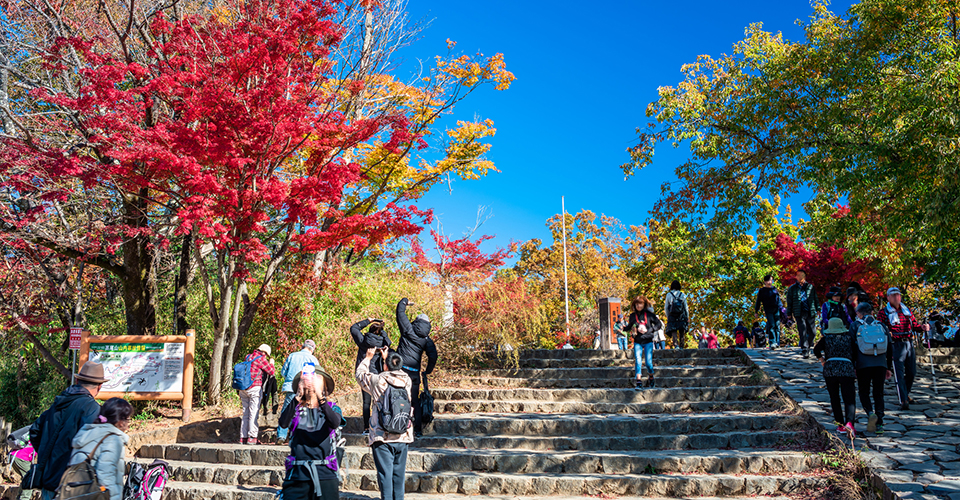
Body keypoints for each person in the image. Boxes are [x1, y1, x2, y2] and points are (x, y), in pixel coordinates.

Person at [29, 361, 106, 500]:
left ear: (77, 380)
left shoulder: (58, 403)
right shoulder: (92, 408)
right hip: (72, 485)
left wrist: (47, 454)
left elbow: (34, 431)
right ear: (100, 386)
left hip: (48, 480)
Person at [356, 348, 414, 500]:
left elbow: (360, 374)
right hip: (403, 434)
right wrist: (386, 359)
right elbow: (393, 370)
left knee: (385, 476)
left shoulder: (378, 380)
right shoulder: (407, 380)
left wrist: (368, 358)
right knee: (398, 477)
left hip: (382, 436)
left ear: (386, 366)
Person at [279, 364, 342, 500]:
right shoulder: (294, 409)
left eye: (316, 378)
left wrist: (320, 396)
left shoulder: (332, 408)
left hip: (325, 474)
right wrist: (298, 396)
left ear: (324, 385)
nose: (311, 382)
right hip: (297, 474)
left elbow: (334, 423)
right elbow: (283, 423)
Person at [68, 398, 133, 500]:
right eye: (128, 419)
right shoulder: (112, 440)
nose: (128, 424)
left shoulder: (87, 433)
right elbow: (106, 478)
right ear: (121, 422)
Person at [879, 287, 929, 410]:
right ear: (888, 297)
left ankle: (905, 393)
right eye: (893, 295)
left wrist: (922, 328)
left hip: (909, 343)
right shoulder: (884, 312)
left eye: (898, 295)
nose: (896, 297)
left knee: (912, 372)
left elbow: (915, 325)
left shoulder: (906, 311)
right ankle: (903, 400)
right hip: (895, 345)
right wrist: (887, 333)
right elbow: (880, 327)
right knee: (899, 373)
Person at [395, 298, 438, 437]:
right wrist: (428, 370)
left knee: (397, 398)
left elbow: (400, 312)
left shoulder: (408, 329)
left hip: (400, 371)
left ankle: (397, 426)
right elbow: (433, 356)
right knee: (414, 400)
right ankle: (417, 430)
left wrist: (405, 301)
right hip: (414, 374)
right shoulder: (426, 340)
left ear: (416, 321)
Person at [851, 302, 893, 434]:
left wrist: (853, 365)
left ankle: (870, 413)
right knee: (878, 392)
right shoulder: (881, 325)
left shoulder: (855, 325)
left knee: (864, 391)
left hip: (863, 364)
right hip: (880, 363)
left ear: (858, 313)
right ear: (872, 313)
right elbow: (889, 347)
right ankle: (879, 422)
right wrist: (888, 367)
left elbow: (852, 347)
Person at [814, 318, 858, 438]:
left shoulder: (826, 339)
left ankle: (840, 425)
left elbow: (816, 350)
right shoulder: (849, 338)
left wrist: (822, 360)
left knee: (835, 398)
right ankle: (850, 423)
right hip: (846, 368)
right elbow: (856, 353)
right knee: (849, 399)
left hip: (830, 369)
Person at [350, 318, 391, 434]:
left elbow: (354, 328)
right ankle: (381, 425)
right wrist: (383, 332)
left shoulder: (363, 341)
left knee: (366, 402)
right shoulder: (383, 342)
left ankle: (367, 428)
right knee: (380, 400)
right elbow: (389, 343)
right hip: (378, 374)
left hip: (366, 374)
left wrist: (368, 320)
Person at [278, 340, 320, 443]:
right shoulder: (313, 359)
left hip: (291, 387)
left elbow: (283, 372)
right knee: (301, 413)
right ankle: (294, 436)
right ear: (312, 349)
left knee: (287, 411)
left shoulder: (292, 356)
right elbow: (317, 376)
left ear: (303, 346)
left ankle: (281, 436)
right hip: (306, 389)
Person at [239, 344, 275, 445]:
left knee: (245, 412)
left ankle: (243, 437)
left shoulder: (248, 356)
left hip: (243, 388)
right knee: (253, 412)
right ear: (265, 353)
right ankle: (252, 437)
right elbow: (271, 371)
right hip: (254, 388)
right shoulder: (261, 359)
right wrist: (271, 363)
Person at [625, 296, 662, 389]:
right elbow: (629, 326)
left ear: (644, 304)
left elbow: (659, 324)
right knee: (638, 360)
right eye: (636, 304)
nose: (638, 306)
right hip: (637, 341)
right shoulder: (633, 316)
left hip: (648, 341)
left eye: (640, 304)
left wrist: (650, 330)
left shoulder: (649, 315)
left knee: (648, 363)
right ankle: (638, 382)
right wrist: (623, 328)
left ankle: (651, 377)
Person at [787, 270, 819, 358]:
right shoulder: (792, 288)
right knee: (802, 331)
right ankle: (805, 349)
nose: (799, 277)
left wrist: (818, 309)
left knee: (813, 332)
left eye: (801, 275)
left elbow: (815, 299)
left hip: (810, 311)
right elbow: (789, 301)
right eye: (798, 275)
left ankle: (807, 346)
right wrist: (789, 313)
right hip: (799, 312)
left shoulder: (810, 287)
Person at [755, 275, 782, 348]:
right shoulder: (762, 291)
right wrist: (756, 311)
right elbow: (758, 301)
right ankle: (772, 342)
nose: (770, 282)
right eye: (768, 281)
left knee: (777, 326)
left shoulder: (774, 289)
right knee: (772, 325)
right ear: (765, 282)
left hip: (776, 310)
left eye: (771, 280)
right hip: (768, 310)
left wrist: (782, 308)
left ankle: (777, 342)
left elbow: (778, 299)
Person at [664, 281, 689, 349]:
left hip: (672, 315)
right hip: (681, 315)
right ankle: (682, 345)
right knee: (682, 330)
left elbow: (666, 307)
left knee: (673, 330)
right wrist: (687, 316)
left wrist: (668, 315)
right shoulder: (682, 294)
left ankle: (676, 345)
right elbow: (686, 306)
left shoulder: (669, 295)